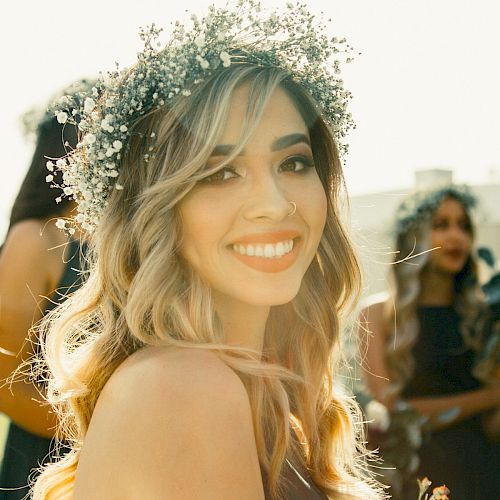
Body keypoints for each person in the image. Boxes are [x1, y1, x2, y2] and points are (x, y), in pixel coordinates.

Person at [32, 3, 385, 499]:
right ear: (157, 209)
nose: (274, 204)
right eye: (220, 172)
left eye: (293, 162)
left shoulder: (264, 400)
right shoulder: (185, 388)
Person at [360, 185, 500, 498]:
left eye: (464, 226)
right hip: (415, 476)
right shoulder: (376, 315)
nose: (456, 236)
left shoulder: (486, 316)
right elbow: (396, 411)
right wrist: (490, 397)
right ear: (413, 236)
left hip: (485, 473)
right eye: (441, 225)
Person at [0, 82, 90, 499]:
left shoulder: (130, 244)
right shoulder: (33, 239)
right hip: (45, 470)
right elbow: (4, 381)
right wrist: (100, 433)